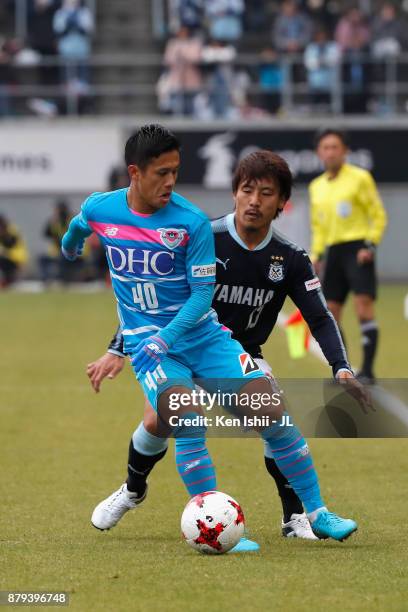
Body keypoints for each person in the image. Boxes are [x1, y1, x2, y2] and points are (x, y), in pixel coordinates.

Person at [62, 125, 363, 549]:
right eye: (162, 173)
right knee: (186, 420)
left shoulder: (190, 222)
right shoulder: (102, 208)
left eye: (175, 172)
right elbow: (80, 224)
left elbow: (204, 294)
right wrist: (71, 244)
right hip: (148, 347)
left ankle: (316, 513)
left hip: (203, 337)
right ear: (135, 172)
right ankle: (210, 524)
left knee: (273, 414)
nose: (170, 181)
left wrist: (165, 337)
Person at [309, 129, 387, 384]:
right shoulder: (316, 187)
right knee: (331, 313)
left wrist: (370, 245)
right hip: (332, 253)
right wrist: (316, 254)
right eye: (325, 147)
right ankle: (343, 369)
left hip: (357, 250)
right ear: (319, 152)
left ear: (345, 151)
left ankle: (368, 370)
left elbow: (377, 215)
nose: (330, 152)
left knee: (363, 308)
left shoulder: (360, 178)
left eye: (335, 147)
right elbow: (318, 226)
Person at [0, 214, 28, 287]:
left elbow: (19, 252)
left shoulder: (12, 234)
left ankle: (7, 280)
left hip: (16, 260)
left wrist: (5, 252)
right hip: (11, 259)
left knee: (3, 259)